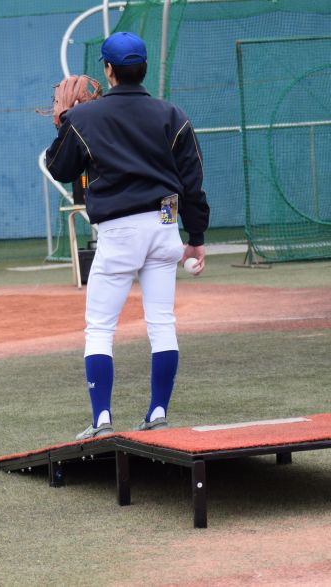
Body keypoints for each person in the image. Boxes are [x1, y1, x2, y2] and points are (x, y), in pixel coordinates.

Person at [44, 31, 210, 440]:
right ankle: (157, 411)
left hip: (119, 229)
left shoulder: (84, 118)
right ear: (145, 68)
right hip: (165, 223)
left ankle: (102, 419)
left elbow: (61, 168)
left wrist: (64, 123)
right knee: (162, 322)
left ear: (108, 70)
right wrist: (197, 236)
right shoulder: (173, 114)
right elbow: (192, 182)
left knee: (100, 328)